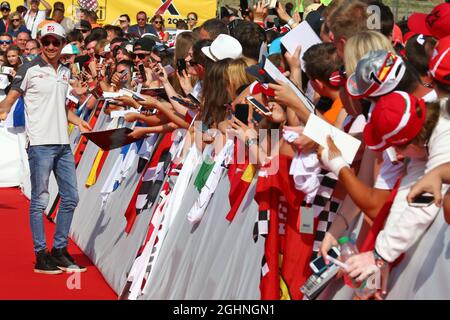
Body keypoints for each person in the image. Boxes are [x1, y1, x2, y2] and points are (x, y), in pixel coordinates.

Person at [0, 22, 91, 274]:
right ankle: (41, 255)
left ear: (63, 45)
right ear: (40, 42)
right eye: (47, 41)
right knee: (39, 201)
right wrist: (2, 111)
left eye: (56, 42)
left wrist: (79, 121)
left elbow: (60, 107)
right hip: (40, 145)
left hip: (63, 145)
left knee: (71, 198)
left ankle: (59, 251)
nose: (51, 46)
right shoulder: (29, 68)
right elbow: (8, 101)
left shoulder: (64, 71)